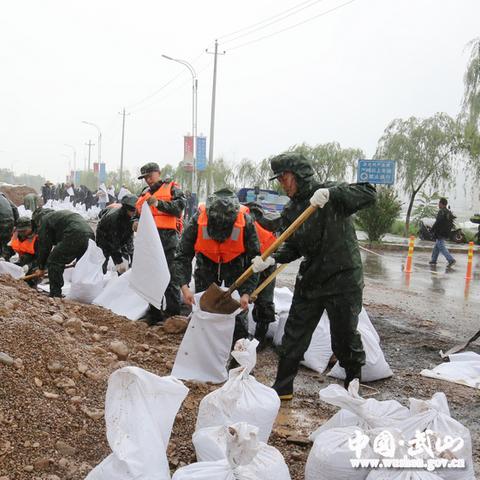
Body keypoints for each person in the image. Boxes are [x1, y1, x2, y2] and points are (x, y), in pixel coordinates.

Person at [252, 152, 376, 399]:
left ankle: (353, 390)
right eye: (279, 179)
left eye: (284, 178)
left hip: (343, 277)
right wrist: (273, 258)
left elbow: (369, 194)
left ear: (299, 175)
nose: (282, 184)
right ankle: (282, 388)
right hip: (311, 279)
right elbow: (295, 246)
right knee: (294, 334)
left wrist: (333, 195)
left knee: (344, 336)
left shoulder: (328, 192)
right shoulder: (292, 210)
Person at [173, 188, 260, 346]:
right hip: (206, 268)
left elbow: (255, 262)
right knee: (204, 313)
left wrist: (247, 293)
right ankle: (204, 352)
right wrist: (184, 287)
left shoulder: (245, 221)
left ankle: (237, 358)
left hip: (236, 271)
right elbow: (182, 255)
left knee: (238, 316)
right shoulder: (198, 220)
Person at [135, 162, 186, 324]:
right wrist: (135, 222)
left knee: (170, 277)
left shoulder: (172, 188)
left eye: (150, 176)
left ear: (159, 173)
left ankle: (173, 315)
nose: (148, 180)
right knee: (152, 276)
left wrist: (158, 204)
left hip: (168, 239)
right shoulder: (144, 193)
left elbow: (179, 208)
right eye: (145, 178)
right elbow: (136, 212)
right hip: (150, 240)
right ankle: (154, 313)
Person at [33, 208, 95, 297]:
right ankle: (85, 294)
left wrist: (41, 267)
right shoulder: (58, 217)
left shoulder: (45, 220)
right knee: (82, 264)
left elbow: (44, 246)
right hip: (89, 234)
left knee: (54, 261)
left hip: (74, 233)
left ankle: (55, 294)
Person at [244, 202, 280, 350]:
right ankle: (245, 335)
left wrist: (272, 259)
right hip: (250, 261)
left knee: (264, 300)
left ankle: (259, 338)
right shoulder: (244, 222)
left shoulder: (268, 224)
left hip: (267, 263)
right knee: (246, 297)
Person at [96, 194, 137, 273]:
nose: (134, 213)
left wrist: (132, 256)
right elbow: (113, 244)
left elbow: (129, 237)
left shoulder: (131, 218)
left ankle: (124, 275)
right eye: (132, 211)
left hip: (118, 234)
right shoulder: (114, 219)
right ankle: (101, 274)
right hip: (104, 236)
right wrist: (119, 262)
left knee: (125, 255)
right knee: (104, 257)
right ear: (126, 209)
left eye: (135, 211)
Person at [429, 197, 456, 267]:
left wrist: (432, 230)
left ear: (442, 204)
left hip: (440, 232)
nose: (438, 205)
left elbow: (438, 222)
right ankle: (433, 260)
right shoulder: (448, 212)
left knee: (441, 246)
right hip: (445, 232)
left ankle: (451, 260)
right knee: (437, 246)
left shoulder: (441, 212)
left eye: (439, 203)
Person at [0, 192, 19, 260]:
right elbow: (15, 208)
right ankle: (5, 258)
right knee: (6, 242)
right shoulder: (4, 197)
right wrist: (16, 224)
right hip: (10, 221)